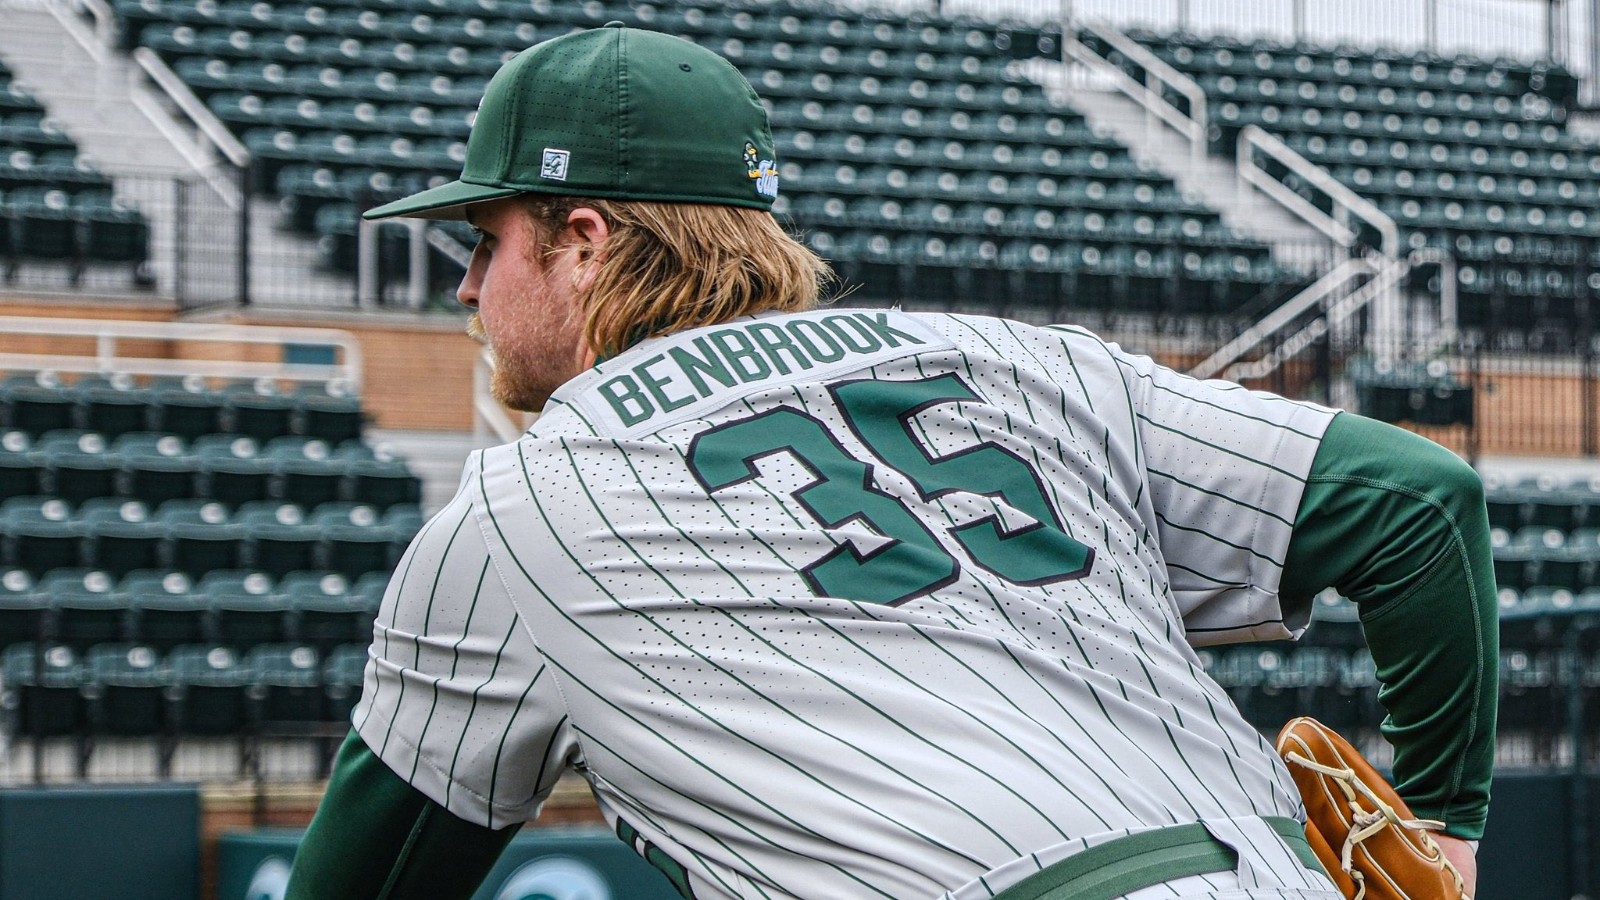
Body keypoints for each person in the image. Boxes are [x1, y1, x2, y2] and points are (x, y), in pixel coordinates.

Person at [286, 23, 1494, 900]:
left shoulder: (519, 507)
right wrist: (1443, 826)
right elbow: (1416, 500)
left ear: (584, 240)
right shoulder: (1024, 359)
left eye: (486, 237)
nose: (466, 284)